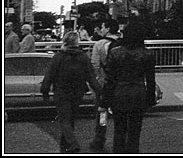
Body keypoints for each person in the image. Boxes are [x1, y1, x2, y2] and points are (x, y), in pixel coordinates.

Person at [100, 21, 157, 154]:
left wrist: (105, 100)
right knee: (135, 131)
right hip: (138, 92)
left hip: (119, 92)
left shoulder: (115, 53)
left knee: (119, 129)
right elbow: (150, 80)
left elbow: (110, 79)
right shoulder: (147, 54)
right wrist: (150, 99)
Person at [40, 30, 101, 153]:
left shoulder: (58, 57)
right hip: (77, 92)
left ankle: (72, 144)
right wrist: (99, 92)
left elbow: (49, 76)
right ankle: (65, 145)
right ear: (77, 42)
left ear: (64, 42)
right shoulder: (83, 57)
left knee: (64, 119)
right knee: (71, 118)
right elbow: (91, 76)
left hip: (61, 91)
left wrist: (45, 91)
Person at [89, 19, 121, 151]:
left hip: (105, 83)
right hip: (120, 83)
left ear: (107, 29)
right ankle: (120, 139)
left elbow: (95, 65)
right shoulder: (122, 43)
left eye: (102, 27)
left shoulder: (99, 44)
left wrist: (95, 81)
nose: (101, 29)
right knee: (120, 113)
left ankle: (100, 137)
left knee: (102, 112)